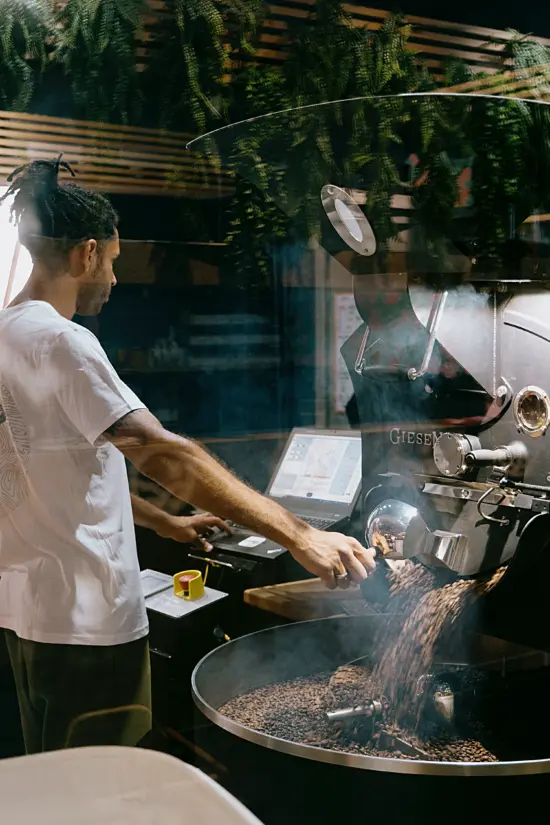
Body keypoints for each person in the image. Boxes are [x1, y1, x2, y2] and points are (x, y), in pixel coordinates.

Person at [0, 157, 375, 754]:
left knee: (54, 784)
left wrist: (165, 522)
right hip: (89, 627)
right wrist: (302, 535)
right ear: (86, 253)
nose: (115, 280)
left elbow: (50, 464)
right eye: (115, 262)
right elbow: (159, 452)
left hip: (27, 618)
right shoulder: (63, 341)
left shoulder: (6, 333)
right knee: (104, 794)